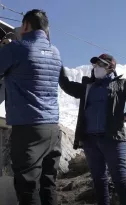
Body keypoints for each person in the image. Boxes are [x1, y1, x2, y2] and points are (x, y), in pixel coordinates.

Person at [59, 53, 126, 205]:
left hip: (113, 139)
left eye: (100, 65)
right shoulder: (88, 87)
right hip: (90, 141)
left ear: (110, 67)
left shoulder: (121, 84)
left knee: (120, 178)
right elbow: (66, 85)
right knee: (98, 180)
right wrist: (58, 64)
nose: (96, 68)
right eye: (95, 65)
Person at [0, 9, 62, 205]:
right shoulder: (55, 52)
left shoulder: (17, 48)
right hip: (53, 129)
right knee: (47, 184)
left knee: (27, 187)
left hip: (28, 130)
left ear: (25, 25)